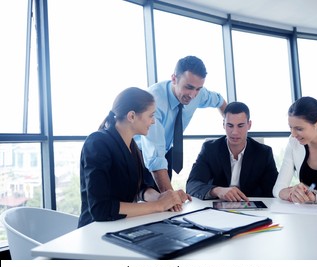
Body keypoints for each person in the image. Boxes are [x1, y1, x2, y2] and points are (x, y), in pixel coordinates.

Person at [78, 87, 183, 228]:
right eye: (151, 116)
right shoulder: (97, 143)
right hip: (95, 230)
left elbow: (141, 188)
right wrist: (158, 205)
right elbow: (100, 209)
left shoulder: (132, 146)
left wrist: (164, 198)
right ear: (132, 116)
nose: (153, 122)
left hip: (121, 227)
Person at [136, 55, 227, 202]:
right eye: (188, 87)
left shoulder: (198, 95)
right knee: (149, 201)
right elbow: (154, 156)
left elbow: (219, 100)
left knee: (164, 206)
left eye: (198, 88)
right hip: (138, 153)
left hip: (166, 150)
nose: (192, 95)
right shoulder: (154, 101)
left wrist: (228, 121)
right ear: (174, 79)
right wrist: (173, 199)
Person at [186, 101, 278, 201]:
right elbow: (192, 185)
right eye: (230, 125)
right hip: (216, 208)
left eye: (240, 126)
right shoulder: (210, 149)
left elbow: (273, 190)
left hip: (252, 207)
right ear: (223, 125)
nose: (234, 132)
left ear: (249, 125)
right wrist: (217, 190)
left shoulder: (263, 153)